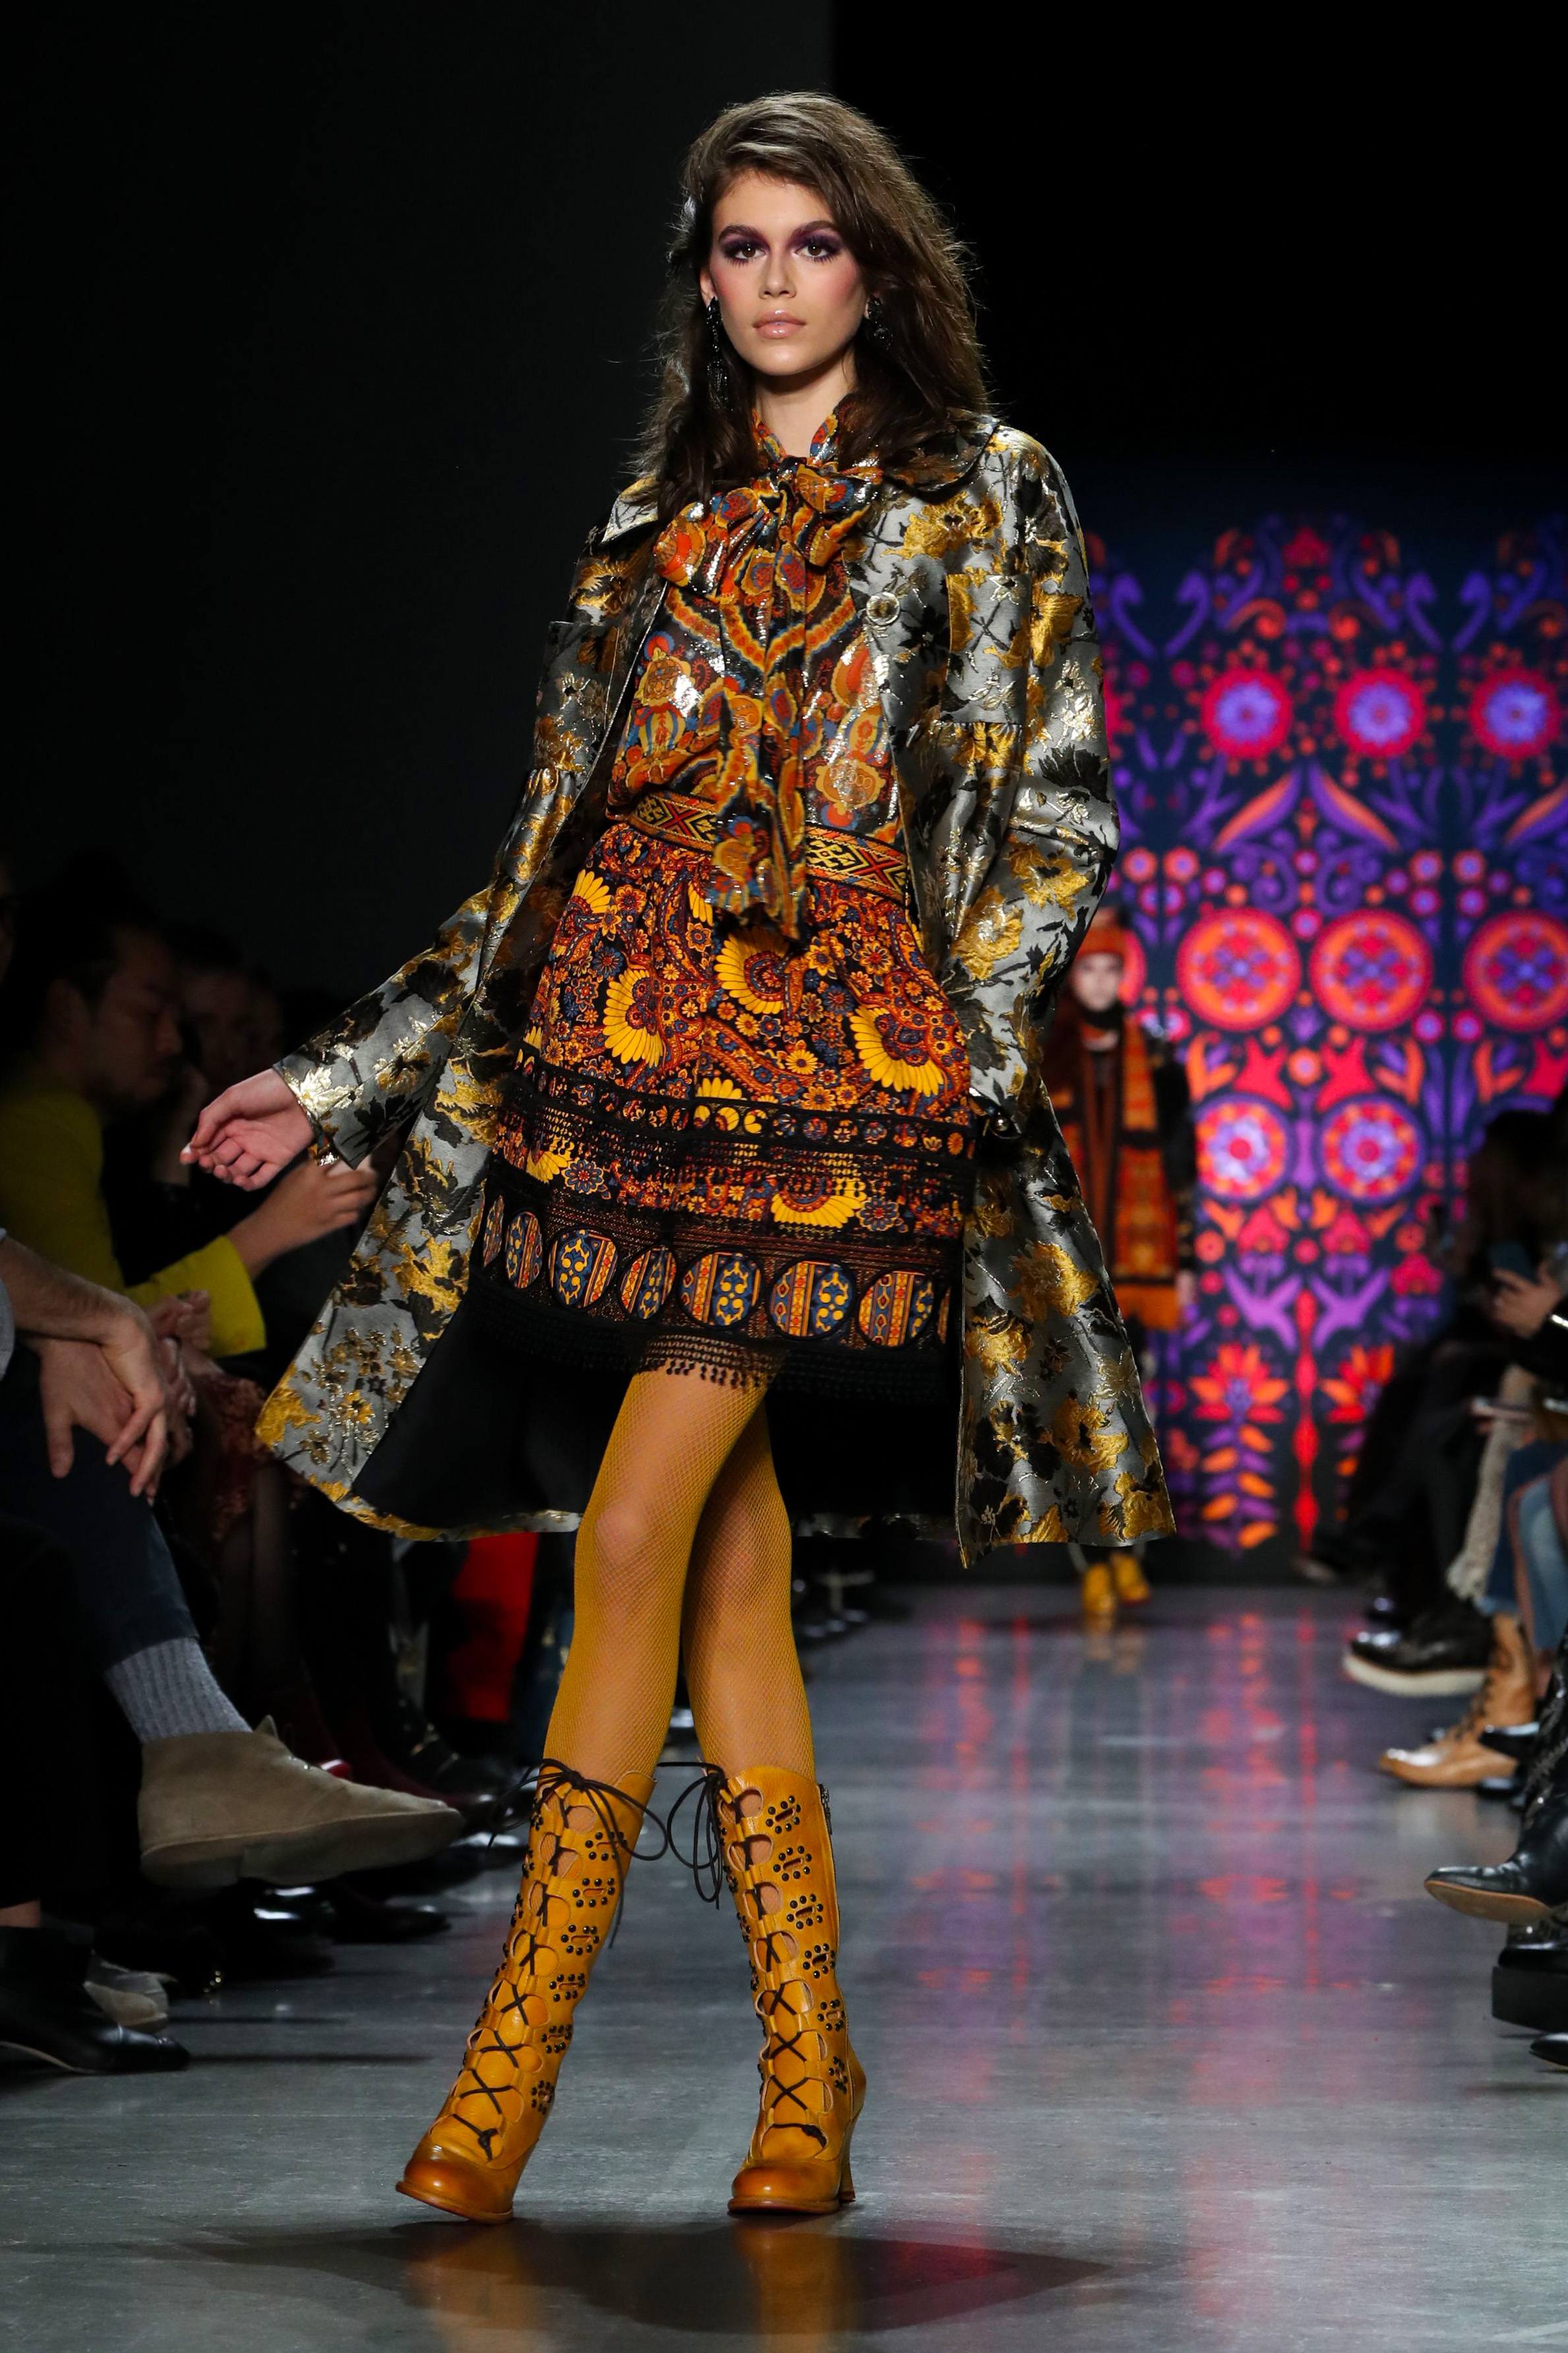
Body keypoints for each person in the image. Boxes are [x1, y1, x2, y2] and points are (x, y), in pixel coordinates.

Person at [184, 92, 1173, 2222]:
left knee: (627, 1530)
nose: (774, 281)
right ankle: (810, 2073)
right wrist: (336, 1084)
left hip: (840, 1101)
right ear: (701, 280)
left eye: (811, 242)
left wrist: (963, 1044)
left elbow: (1055, 806)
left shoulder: (986, 491)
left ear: (877, 265)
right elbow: (542, 862)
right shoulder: (651, 519)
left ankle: (508, 2069)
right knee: (716, 1562)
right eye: (739, 246)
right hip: (614, 1083)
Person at [1040, 909, 1194, 1621]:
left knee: (1134, 1416)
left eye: (1111, 969)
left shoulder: (1156, 1060)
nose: (1100, 981)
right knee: (1078, 1417)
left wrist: (1183, 1257)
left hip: (1138, 1268)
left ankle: (1129, 1552)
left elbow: (1180, 1165)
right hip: (1065, 1264)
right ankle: (1094, 1562)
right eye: (1090, 969)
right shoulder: (1049, 1052)